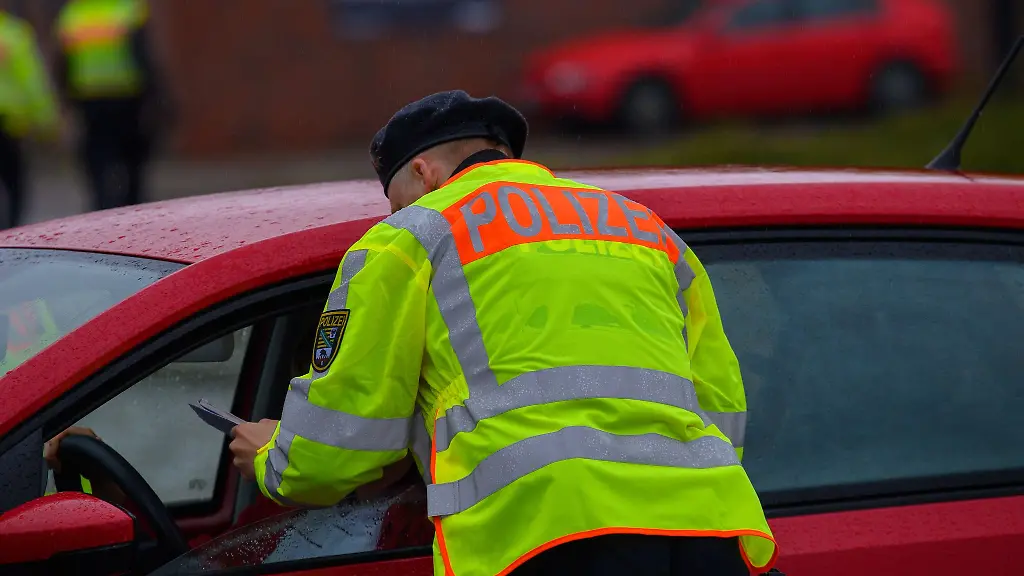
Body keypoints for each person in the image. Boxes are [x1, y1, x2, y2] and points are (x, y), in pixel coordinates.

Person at [228, 90, 778, 576]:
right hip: (705, 521)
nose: (395, 213)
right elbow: (720, 399)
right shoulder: (641, 225)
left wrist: (272, 458)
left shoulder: (411, 236)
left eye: (395, 201)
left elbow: (344, 433)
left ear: (423, 172)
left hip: (545, 533)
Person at [53, 0, 170, 212]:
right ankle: (132, 202)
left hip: (89, 96)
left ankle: (102, 201)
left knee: (97, 153)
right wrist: (157, 93)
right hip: (125, 94)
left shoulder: (73, 15)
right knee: (132, 152)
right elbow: (143, 54)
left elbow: (62, 61)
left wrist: (64, 98)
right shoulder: (128, 10)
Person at [0, 8, 60, 229]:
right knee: (14, 182)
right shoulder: (13, 34)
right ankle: (10, 232)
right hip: (9, 122)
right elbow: (32, 81)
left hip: (10, 121)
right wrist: (46, 121)